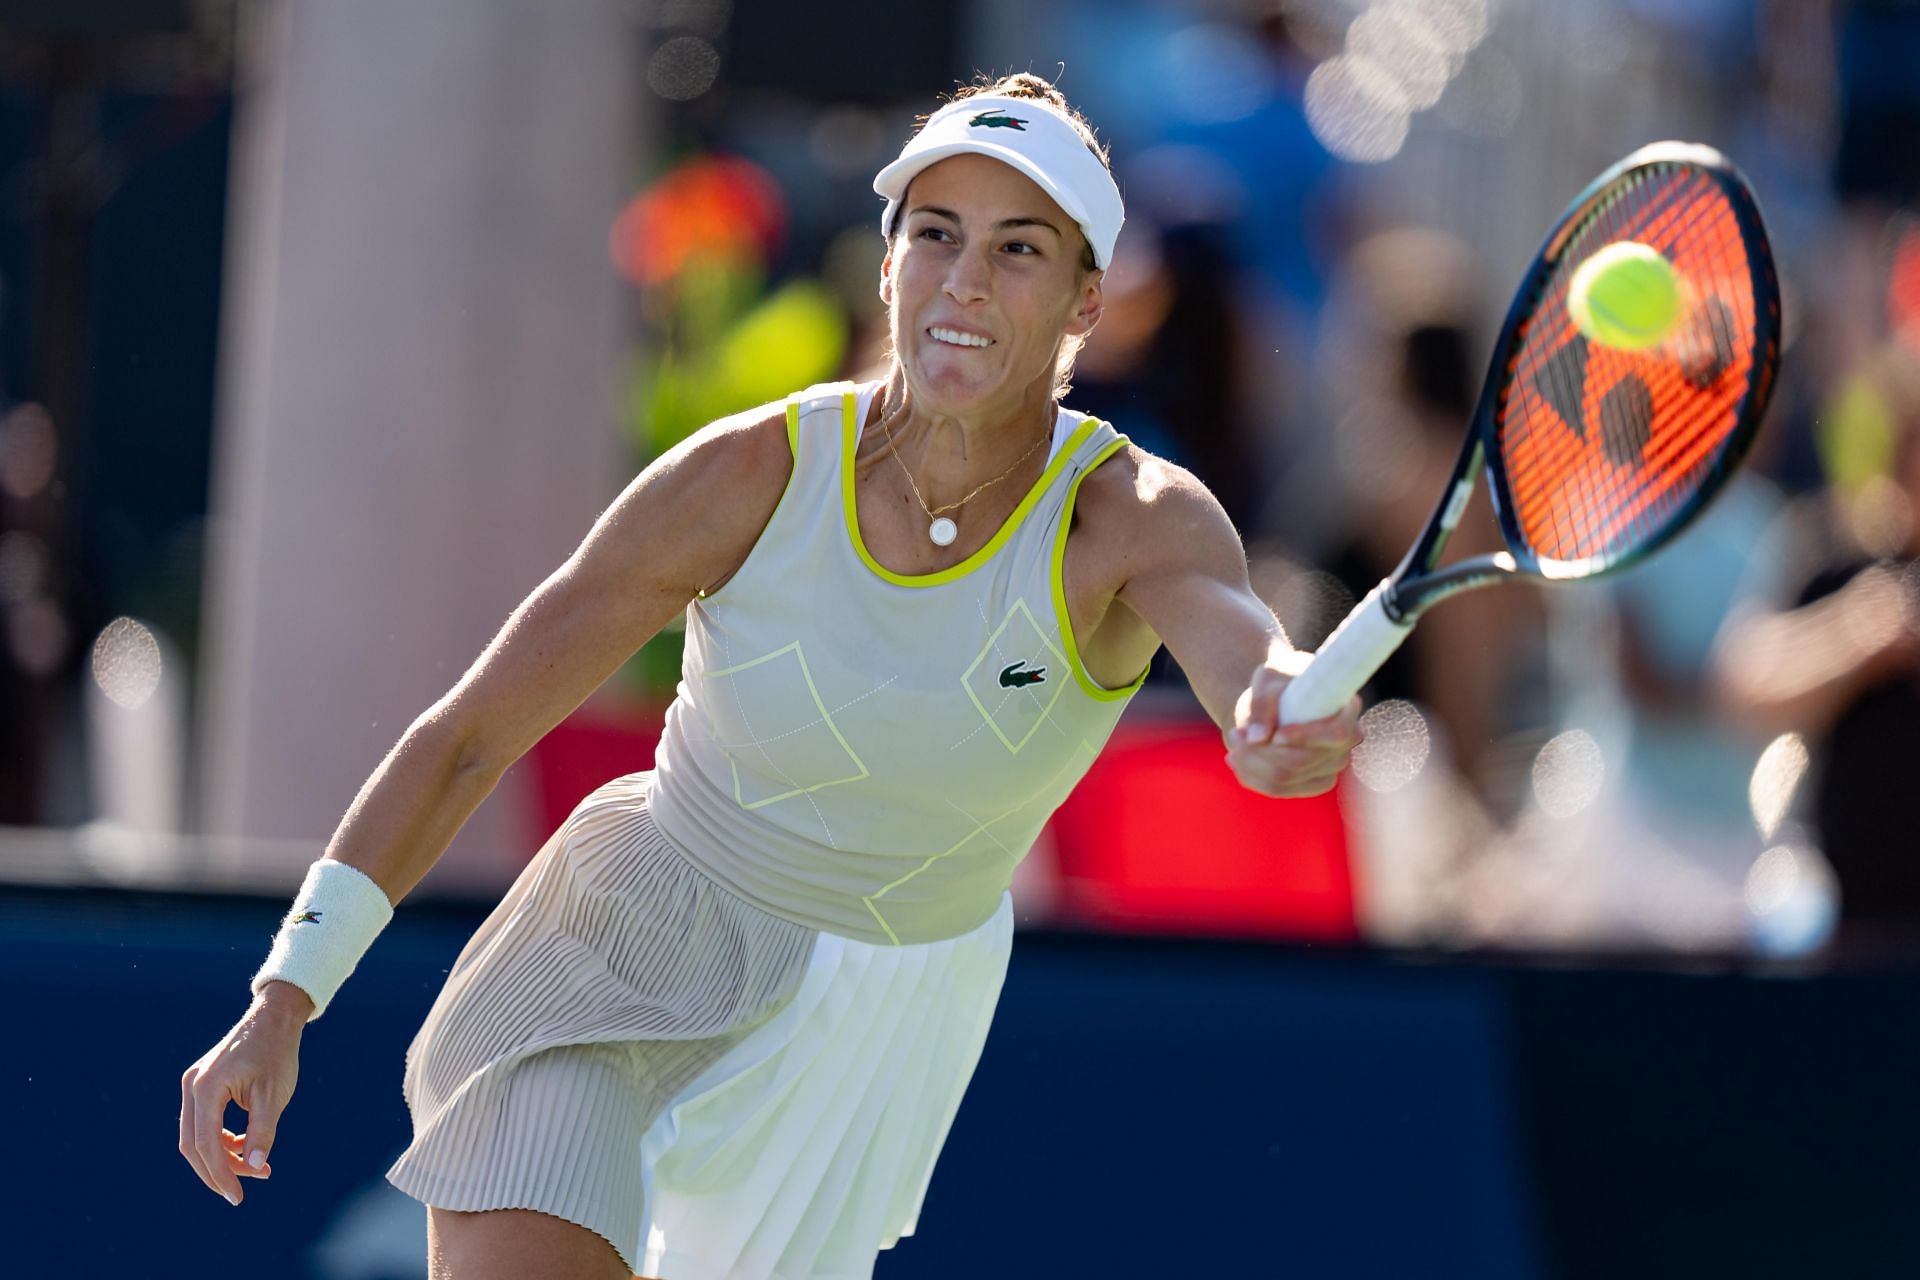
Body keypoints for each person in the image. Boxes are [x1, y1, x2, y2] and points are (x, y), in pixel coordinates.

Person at [177, 73, 1362, 1280]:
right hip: (624, 944)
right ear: (887, 264)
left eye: (1017, 249)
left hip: (873, 1025)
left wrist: (1279, 709)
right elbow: (471, 734)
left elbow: (1242, 652)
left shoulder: (1138, 519)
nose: (964, 282)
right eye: (935, 235)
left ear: (1084, 300)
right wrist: (286, 994)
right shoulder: (746, 475)